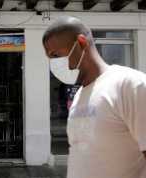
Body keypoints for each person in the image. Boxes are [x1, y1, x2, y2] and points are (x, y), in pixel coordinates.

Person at [42, 16, 146, 178]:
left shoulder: (130, 85)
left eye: (55, 55)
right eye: (50, 58)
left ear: (82, 43)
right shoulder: (79, 96)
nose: (54, 63)